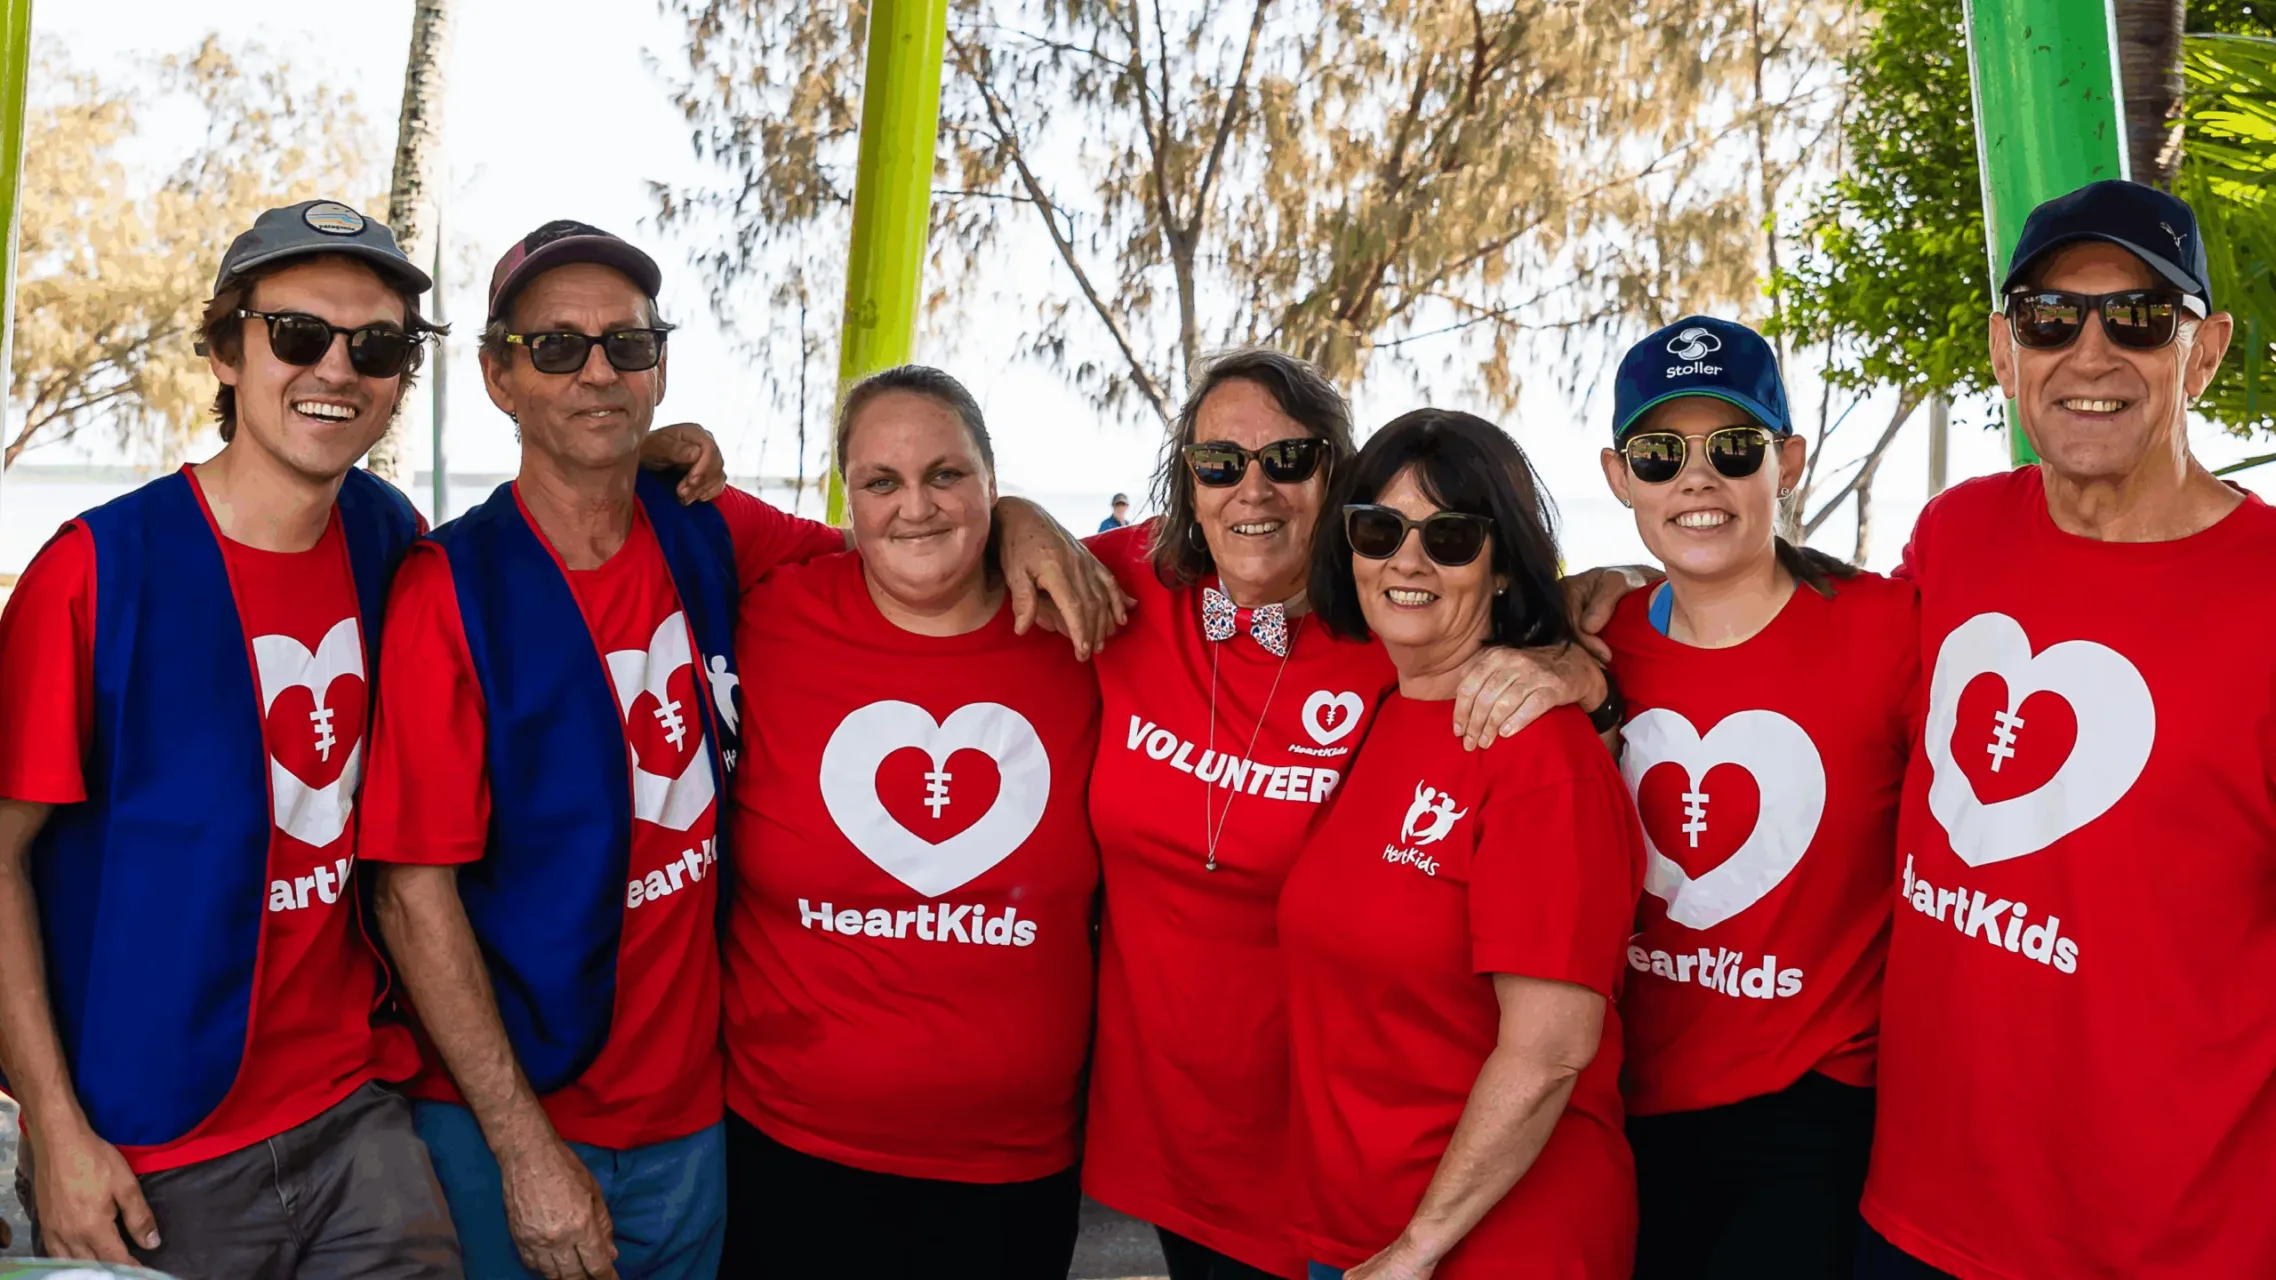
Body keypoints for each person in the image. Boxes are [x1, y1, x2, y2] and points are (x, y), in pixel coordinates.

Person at [358, 221, 1118, 1280]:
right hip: (522, 1117)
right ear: (497, 374)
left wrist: (1020, 517)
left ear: (659, 366)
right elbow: (409, 892)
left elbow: (902, 544)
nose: (596, 372)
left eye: (626, 345)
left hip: (698, 1121)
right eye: (556, 347)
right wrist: (525, 1149)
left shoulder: (709, 534)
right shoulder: (454, 588)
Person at [1564, 181, 2276, 1279]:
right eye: (2049, 317)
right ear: (2004, 347)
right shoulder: (1958, 537)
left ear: (2205, 349)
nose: (2087, 354)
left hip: (2168, 1240)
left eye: (2137, 316)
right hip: (1908, 1219)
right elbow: (1779, 632)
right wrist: (1581, 614)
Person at [1080, 349, 1617, 1280]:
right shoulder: (1132, 592)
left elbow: (1551, 1046)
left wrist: (1584, 664)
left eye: (1289, 461)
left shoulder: (1425, 670)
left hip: (1427, 1215)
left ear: (1330, 475)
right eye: (1219, 465)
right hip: (1213, 1164)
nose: (1253, 489)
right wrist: (1013, 517)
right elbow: (927, 532)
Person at [0, 199, 462, 1278]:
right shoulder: (95, 571)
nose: (337, 369)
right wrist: (57, 1134)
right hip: (153, 1150)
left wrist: (652, 460)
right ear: (224, 349)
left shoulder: (387, 536)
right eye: (297, 334)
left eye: (377, 345)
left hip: (354, 1112)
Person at [717, 366, 1101, 1278]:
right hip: (787, 1152)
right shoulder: (777, 605)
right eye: (881, 482)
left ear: (994, 481)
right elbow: (627, 470)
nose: (915, 506)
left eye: (948, 474)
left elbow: (1245, 549)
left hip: (1010, 1173)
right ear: (846, 498)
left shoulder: (1083, 617)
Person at [1282, 408, 1644, 1279]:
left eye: (1449, 536)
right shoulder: (1381, 709)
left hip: (1491, 1243)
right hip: (1354, 1231)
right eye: (1378, 529)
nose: (1407, 560)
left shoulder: (1539, 752)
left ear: (1506, 567)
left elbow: (1552, 1046)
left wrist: (1418, 1249)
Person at [1595, 317, 1915, 1277]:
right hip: (1623, 1107)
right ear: (1620, 477)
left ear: (1788, 461)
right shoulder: (1592, 634)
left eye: (1733, 449)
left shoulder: (1890, 631)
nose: (1697, 479)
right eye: (1661, 454)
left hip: (1808, 1119)